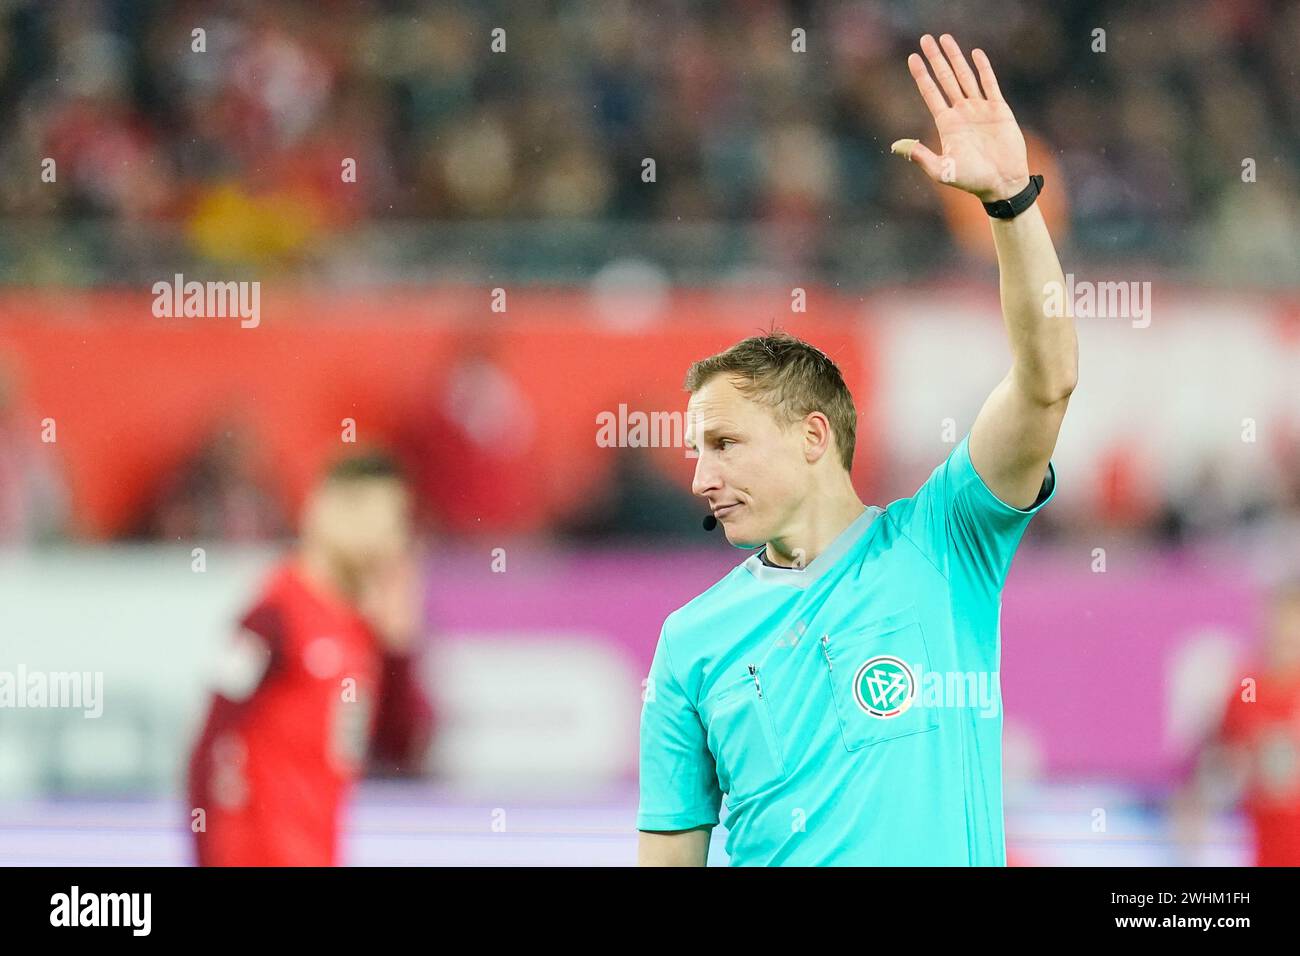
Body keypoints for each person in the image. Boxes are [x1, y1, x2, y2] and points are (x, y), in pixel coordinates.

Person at [636, 35, 1077, 866]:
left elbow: (1046, 380)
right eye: (698, 449)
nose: (703, 475)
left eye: (726, 442)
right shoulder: (689, 643)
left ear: (813, 436)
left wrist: (1013, 207)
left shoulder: (949, 543)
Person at [186, 451, 433, 866]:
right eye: (379, 521)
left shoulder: (361, 631)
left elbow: (402, 748)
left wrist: (399, 649)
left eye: (396, 526)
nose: (388, 542)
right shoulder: (272, 616)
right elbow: (211, 740)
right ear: (329, 512)